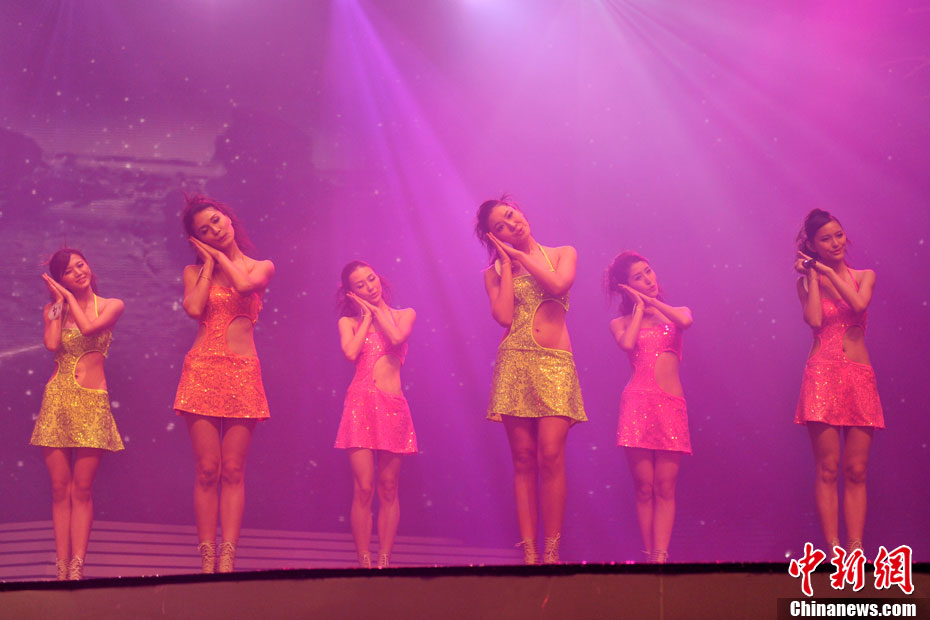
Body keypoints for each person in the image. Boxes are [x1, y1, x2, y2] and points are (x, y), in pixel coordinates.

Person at [475, 196, 586, 565]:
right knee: (523, 459)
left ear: (520, 210)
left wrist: (521, 256)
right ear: (494, 238)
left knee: (550, 455)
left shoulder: (562, 253)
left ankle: (552, 550)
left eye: (511, 215)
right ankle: (529, 552)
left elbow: (557, 285)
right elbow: (504, 316)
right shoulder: (493, 272)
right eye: (501, 227)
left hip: (555, 364)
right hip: (515, 363)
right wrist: (507, 264)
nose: (512, 225)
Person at [173, 194, 274, 573]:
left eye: (216, 220)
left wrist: (221, 258)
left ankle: (228, 557)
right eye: (204, 230)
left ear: (228, 218)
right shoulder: (194, 271)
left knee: (233, 470)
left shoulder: (261, 266)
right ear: (197, 239)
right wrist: (209, 264)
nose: (214, 230)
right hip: (201, 370)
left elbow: (245, 287)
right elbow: (194, 309)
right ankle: (206, 557)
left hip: (243, 373)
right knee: (207, 469)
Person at [31, 248, 125, 580]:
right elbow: (52, 344)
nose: (78, 272)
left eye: (80, 265)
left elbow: (88, 329)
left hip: (92, 402)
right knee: (60, 488)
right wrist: (59, 304)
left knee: (82, 490)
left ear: (89, 265)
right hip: (58, 400)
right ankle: (61, 568)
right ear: (60, 280)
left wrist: (70, 297)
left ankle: (77, 568)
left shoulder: (111, 305)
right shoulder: (55, 309)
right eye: (69, 271)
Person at [793, 209, 883, 554]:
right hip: (822, 376)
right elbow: (815, 320)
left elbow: (858, 303)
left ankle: (856, 547)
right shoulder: (807, 282)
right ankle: (834, 550)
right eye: (826, 239)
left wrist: (828, 271)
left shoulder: (865, 276)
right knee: (828, 468)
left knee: (856, 469)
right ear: (813, 246)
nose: (835, 243)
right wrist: (813, 277)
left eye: (839, 235)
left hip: (859, 376)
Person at [605, 251, 693, 564]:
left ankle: (660, 557)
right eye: (638, 277)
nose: (648, 279)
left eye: (648, 271)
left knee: (665, 487)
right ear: (626, 287)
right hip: (637, 404)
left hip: (670, 406)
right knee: (644, 487)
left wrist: (651, 302)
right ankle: (648, 557)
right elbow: (627, 344)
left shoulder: (677, 312)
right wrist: (640, 307)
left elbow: (685, 321)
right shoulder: (620, 322)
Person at [334, 260, 417, 569]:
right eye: (361, 285)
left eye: (371, 279)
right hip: (360, 405)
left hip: (393, 407)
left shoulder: (404, 315)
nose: (370, 287)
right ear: (351, 292)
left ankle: (384, 559)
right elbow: (350, 353)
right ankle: (364, 560)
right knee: (364, 487)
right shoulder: (348, 322)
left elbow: (395, 338)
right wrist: (366, 316)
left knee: (389, 487)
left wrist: (377, 310)